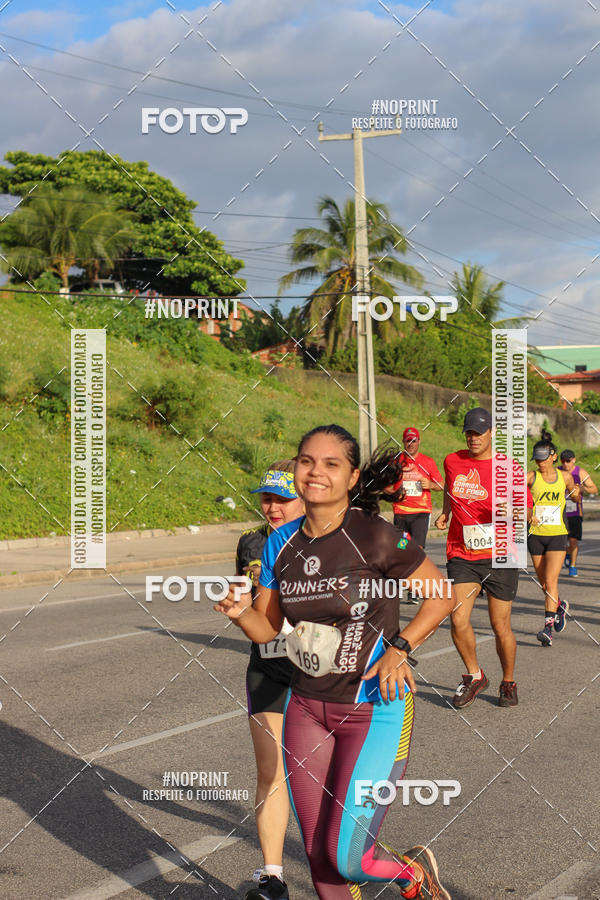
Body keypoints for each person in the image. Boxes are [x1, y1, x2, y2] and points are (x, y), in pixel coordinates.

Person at [218, 424, 455, 900]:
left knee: (347, 854)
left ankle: (410, 873)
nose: (315, 472)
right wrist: (243, 614)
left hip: (376, 709)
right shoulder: (279, 542)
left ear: (352, 477)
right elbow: (269, 631)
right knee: (320, 856)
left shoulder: (378, 536)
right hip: (306, 709)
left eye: (331, 464)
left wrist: (400, 647)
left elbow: (440, 596)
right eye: (307, 461)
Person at [235, 461, 304, 900]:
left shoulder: (331, 542)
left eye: (282, 498)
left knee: (326, 780)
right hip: (269, 665)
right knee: (271, 771)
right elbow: (255, 613)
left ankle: (357, 862)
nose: (272, 506)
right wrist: (238, 608)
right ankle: (273, 876)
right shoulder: (251, 543)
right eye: (266, 497)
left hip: (324, 674)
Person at [435, 407, 530, 709]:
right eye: (468, 432)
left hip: (501, 554)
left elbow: (526, 510)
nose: (472, 437)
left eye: (478, 432)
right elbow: (450, 490)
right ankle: (474, 675)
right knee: (457, 616)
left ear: (491, 433)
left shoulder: (509, 468)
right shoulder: (453, 461)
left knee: (499, 625)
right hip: (463, 553)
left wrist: (508, 512)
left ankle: (508, 681)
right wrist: (446, 513)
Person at [527, 439, 580, 647]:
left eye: (543, 459)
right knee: (543, 583)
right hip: (535, 535)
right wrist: (528, 512)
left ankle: (548, 627)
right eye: (537, 459)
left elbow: (576, 497)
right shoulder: (530, 477)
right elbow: (518, 499)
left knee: (551, 581)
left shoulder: (565, 477)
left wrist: (575, 493)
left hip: (558, 534)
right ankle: (559, 606)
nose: (540, 463)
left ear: (553, 456)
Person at [386, 427, 443, 550]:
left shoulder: (428, 461)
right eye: (408, 441)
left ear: (419, 441)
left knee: (417, 548)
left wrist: (431, 485)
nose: (411, 444)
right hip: (401, 512)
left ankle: (417, 568)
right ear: (403, 442)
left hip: (420, 513)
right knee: (402, 547)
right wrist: (391, 492)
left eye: (413, 440)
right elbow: (384, 484)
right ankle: (405, 568)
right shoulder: (396, 461)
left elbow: (442, 485)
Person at [559, 449, 598, 577]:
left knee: (573, 540)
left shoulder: (580, 473)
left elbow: (594, 489)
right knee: (562, 541)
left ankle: (573, 566)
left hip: (575, 511)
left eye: (568, 461)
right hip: (559, 512)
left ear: (574, 460)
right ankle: (567, 554)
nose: (565, 463)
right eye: (563, 461)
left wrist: (582, 488)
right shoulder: (557, 472)